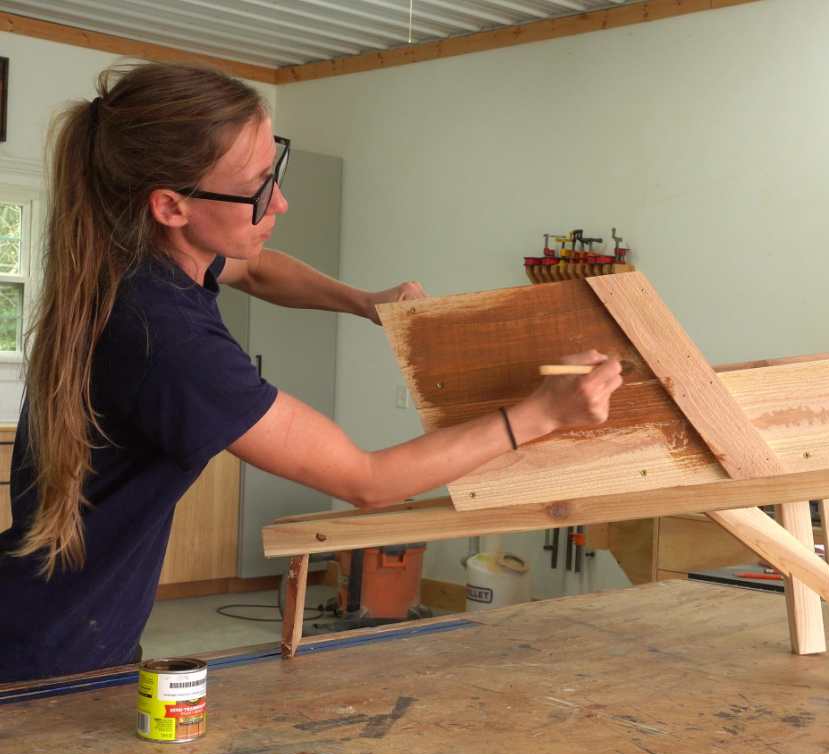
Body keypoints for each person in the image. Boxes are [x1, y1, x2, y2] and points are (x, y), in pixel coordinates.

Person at [0, 62, 622, 683]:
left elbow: (257, 268)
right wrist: (543, 414)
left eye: (276, 173)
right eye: (258, 187)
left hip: (56, 621)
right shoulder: (169, 342)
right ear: (170, 205)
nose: (281, 201)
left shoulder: (133, 263)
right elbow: (369, 480)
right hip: (47, 658)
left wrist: (364, 301)